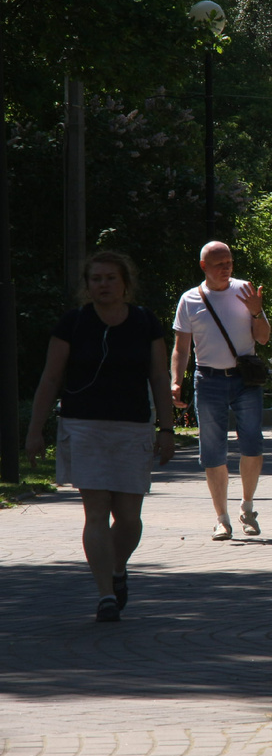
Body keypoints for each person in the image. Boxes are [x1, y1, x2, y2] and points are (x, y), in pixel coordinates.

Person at [25, 251, 175, 622]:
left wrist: (167, 429)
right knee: (95, 513)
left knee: (129, 518)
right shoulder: (73, 323)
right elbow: (50, 378)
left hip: (132, 428)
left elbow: (159, 377)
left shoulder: (145, 321)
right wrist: (34, 430)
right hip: (83, 426)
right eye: (96, 279)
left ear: (125, 283)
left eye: (110, 278)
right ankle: (106, 594)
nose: (103, 285)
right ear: (87, 285)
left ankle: (117, 568)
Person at [172, 241, 270, 541]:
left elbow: (263, 338)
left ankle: (247, 507)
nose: (226, 268)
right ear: (204, 266)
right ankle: (222, 519)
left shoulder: (245, 291)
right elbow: (181, 348)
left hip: (245, 381)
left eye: (229, 263)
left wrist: (257, 312)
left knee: (252, 444)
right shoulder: (189, 299)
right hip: (208, 381)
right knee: (213, 450)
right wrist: (175, 381)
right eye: (219, 264)